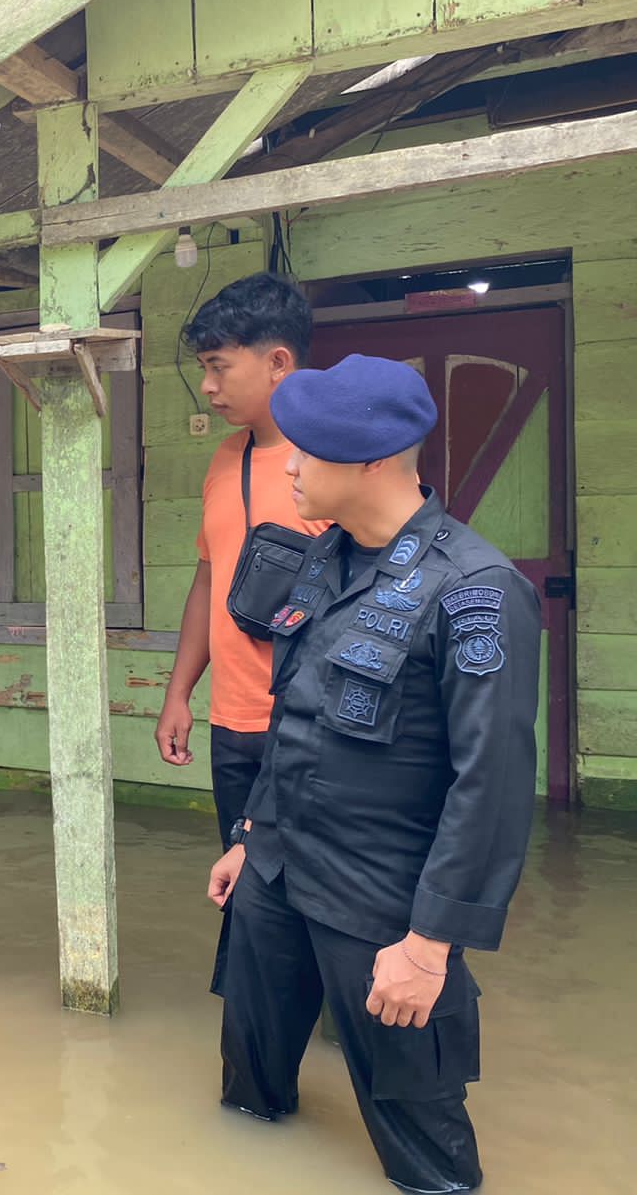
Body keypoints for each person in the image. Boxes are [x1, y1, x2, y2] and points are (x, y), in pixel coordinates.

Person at [207, 355, 540, 1193]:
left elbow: (491, 787)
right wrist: (251, 836)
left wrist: (430, 946)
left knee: (425, 1158)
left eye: (307, 451)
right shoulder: (325, 560)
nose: (287, 464)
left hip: (383, 902)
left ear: (369, 463)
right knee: (247, 1096)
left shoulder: (475, 592)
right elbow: (297, 719)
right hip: (276, 872)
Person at [155, 272, 328, 848]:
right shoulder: (226, 459)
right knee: (241, 891)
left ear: (277, 361)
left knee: (314, 904)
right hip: (232, 724)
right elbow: (210, 580)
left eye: (218, 366)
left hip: (318, 727)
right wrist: (179, 693)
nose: (207, 386)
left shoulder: (343, 460)